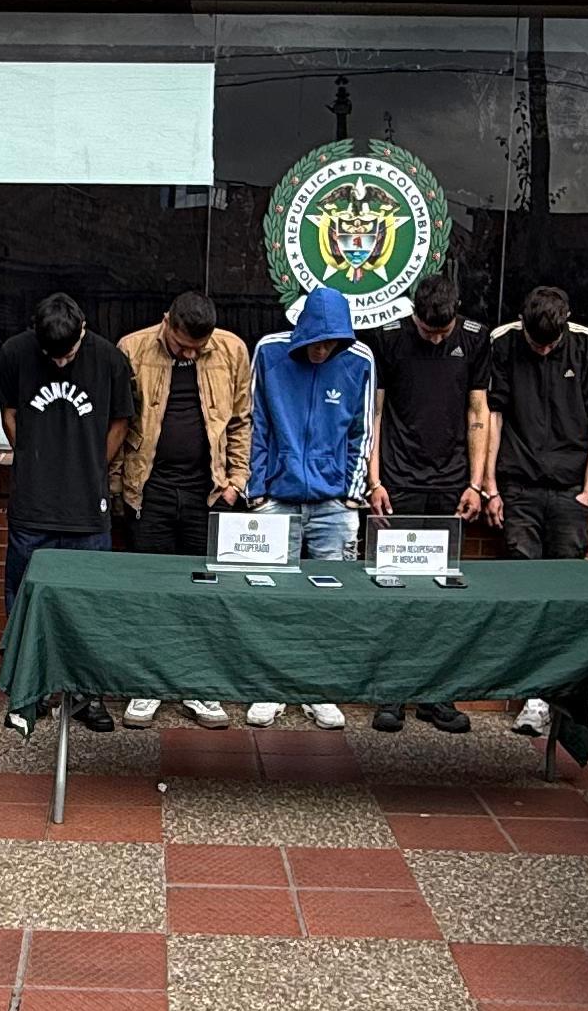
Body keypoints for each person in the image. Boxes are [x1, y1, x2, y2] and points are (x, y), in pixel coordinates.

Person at [468, 284, 588, 740]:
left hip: (570, 487)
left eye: (550, 343)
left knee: (567, 591)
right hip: (520, 483)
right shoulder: (505, 342)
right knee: (525, 589)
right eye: (536, 342)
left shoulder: (587, 345)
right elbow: (494, 415)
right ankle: (533, 699)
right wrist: (491, 485)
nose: (543, 349)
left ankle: (563, 695)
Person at [0, 292, 132, 733]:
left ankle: (88, 696)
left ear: (83, 331)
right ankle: (27, 695)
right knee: (24, 602)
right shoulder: (15, 353)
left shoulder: (109, 359)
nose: (58, 362)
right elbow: (9, 413)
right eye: (51, 355)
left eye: (67, 355)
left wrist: (92, 467)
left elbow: (120, 422)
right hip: (31, 508)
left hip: (87, 511)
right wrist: (33, 459)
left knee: (90, 605)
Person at [240, 282, 378, 729]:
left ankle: (320, 690)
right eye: (316, 342)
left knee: (329, 602)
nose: (322, 351)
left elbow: (362, 430)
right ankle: (269, 688)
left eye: (331, 343)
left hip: (334, 503)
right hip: (276, 498)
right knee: (269, 598)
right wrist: (256, 489)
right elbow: (255, 421)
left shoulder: (360, 360)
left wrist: (351, 491)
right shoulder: (270, 351)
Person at [112, 288, 252, 729]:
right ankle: (147, 685)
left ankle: (197, 685)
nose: (190, 353)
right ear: (166, 321)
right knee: (150, 592)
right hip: (149, 490)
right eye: (182, 345)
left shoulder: (231, 349)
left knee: (201, 593)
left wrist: (236, 481)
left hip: (206, 492)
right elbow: (120, 422)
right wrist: (117, 486)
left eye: (198, 347)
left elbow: (241, 420)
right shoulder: (132, 348)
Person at [364, 273, 481, 732]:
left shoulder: (475, 339)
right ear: (414, 315)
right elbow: (374, 415)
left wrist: (476, 484)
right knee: (395, 591)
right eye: (428, 330)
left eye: (443, 331)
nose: (435, 338)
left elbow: (479, 414)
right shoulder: (390, 339)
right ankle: (391, 694)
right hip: (398, 482)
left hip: (451, 485)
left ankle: (438, 696)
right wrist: (375, 480)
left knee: (442, 596)